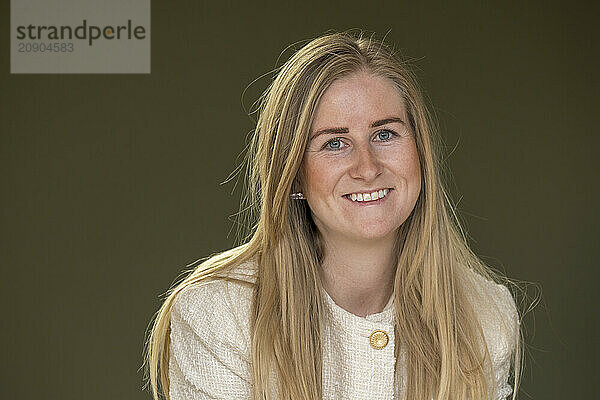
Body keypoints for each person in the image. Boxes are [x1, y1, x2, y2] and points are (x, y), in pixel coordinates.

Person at [144, 29, 522, 400]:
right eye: (335, 143)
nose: (367, 167)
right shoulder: (219, 315)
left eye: (385, 134)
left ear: (420, 151)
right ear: (292, 173)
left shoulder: (485, 316)